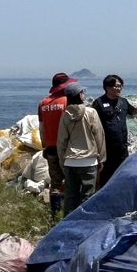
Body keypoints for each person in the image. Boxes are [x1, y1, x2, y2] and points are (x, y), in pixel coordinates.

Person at [92, 74, 137, 189]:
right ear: (108, 87)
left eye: (120, 86)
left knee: (122, 171)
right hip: (106, 146)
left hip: (122, 146)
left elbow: (133, 112)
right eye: (116, 86)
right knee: (106, 174)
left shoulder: (123, 102)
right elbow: (92, 123)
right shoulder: (99, 103)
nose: (119, 88)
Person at [56, 82, 105, 217]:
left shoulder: (65, 115)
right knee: (88, 194)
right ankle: (85, 221)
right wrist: (101, 158)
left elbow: (61, 140)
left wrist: (62, 161)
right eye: (83, 92)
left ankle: (68, 222)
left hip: (70, 161)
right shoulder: (91, 112)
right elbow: (99, 136)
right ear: (80, 95)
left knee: (70, 195)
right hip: (89, 160)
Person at [38, 72, 76, 218]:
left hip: (51, 148)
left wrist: (44, 145)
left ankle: (55, 214)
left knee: (55, 182)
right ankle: (70, 212)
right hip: (67, 147)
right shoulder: (67, 101)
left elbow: (41, 127)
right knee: (71, 181)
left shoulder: (43, 103)